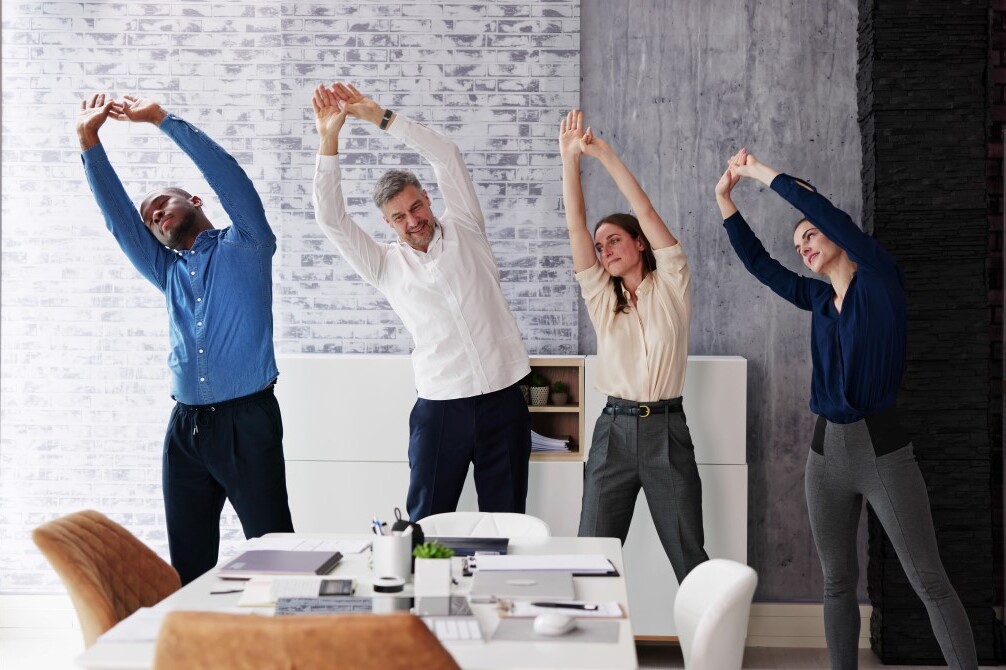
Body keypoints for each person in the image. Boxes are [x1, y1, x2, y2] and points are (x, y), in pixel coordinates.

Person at [715, 148, 977, 669]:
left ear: (837, 231)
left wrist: (757, 172)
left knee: (928, 579)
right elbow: (762, 267)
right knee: (836, 582)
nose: (803, 246)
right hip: (824, 455)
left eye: (810, 233)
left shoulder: (880, 280)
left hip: (882, 451)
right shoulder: (816, 300)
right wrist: (725, 200)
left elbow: (821, 210)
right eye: (798, 243)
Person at [76, 93, 294, 585]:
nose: (153, 216)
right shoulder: (166, 273)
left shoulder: (248, 244)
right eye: (149, 218)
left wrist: (162, 121)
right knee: (189, 568)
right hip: (186, 431)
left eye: (161, 205)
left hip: (249, 423)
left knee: (275, 549)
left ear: (193, 201)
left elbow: (231, 178)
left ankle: (290, 650)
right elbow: (119, 222)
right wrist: (88, 141)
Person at [310, 83, 531, 522]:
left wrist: (381, 118)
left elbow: (445, 153)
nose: (413, 221)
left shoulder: (466, 226)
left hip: (504, 400)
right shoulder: (383, 265)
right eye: (399, 216)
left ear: (428, 198)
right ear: (387, 222)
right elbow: (331, 219)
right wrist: (328, 140)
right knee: (424, 525)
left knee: (506, 524)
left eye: (416, 207)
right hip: (440, 408)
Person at [559, 109, 709, 583]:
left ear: (640, 245)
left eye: (615, 240)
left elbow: (643, 208)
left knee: (689, 556)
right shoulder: (604, 300)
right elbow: (576, 224)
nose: (604, 249)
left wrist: (602, 155)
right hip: (613, 433)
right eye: (601, 247)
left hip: (667, 431)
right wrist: (568, 161)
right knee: (593, 558)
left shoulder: (673, 287)